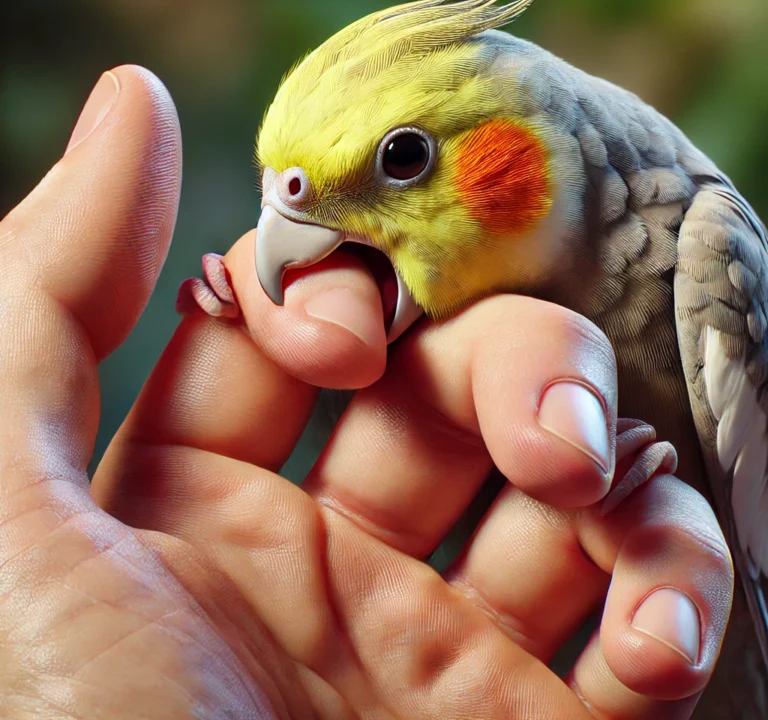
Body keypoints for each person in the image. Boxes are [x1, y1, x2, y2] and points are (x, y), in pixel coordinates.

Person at [0, 65, 734, 719]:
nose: (292, 240)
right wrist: (244, 329)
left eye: (406, 159)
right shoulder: (400, 319)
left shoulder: (707, 256)